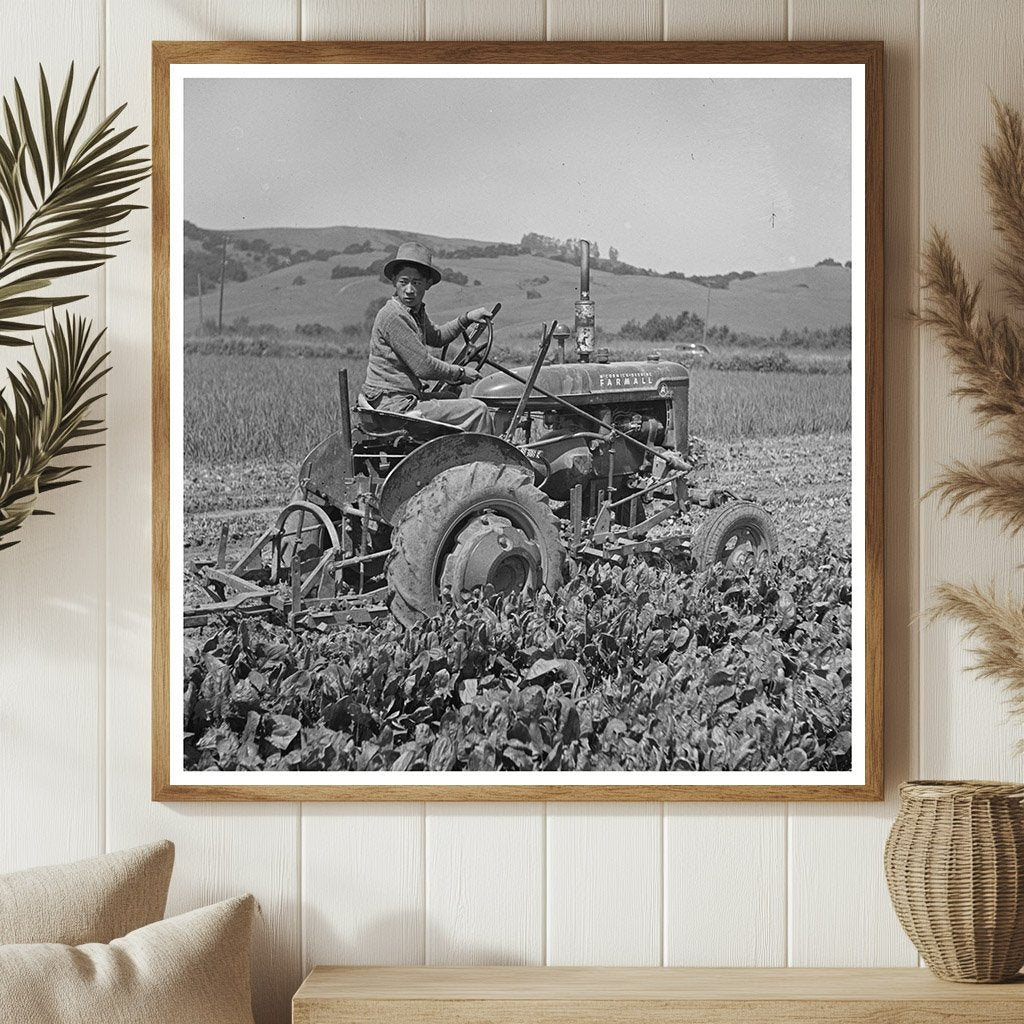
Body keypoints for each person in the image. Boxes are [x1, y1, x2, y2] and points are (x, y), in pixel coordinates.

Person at [359, 242, 496, 433]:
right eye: (403, 281)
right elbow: (423, 366)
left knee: (451, 396)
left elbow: (437, 337)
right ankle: (488, 462)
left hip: (396, 399)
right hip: (395, 406)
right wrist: (460, 373)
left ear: (427, 284)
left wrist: (467, 318)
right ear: (393, 281)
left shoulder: (413, 312)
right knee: (478, 409)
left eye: (416, 283)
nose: (409, 289)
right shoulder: (393, 315)